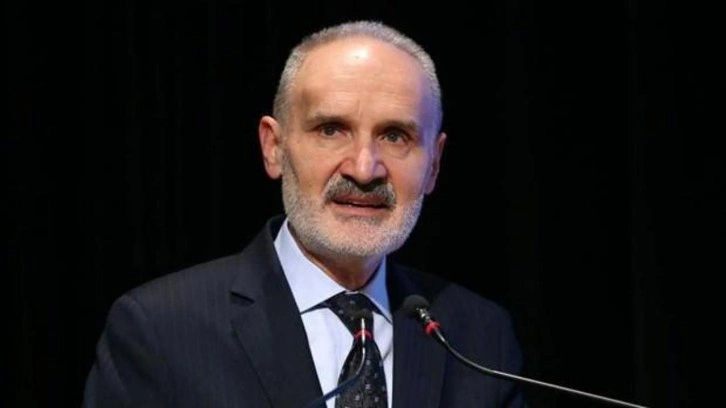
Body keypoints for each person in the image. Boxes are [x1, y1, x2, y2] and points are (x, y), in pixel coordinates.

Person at [83, 20, 525, 408]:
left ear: (434, 164)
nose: (364, 169)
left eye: (394, 136)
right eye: (331, 130)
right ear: (274, 147)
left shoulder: (480, 336)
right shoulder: (161, 329)